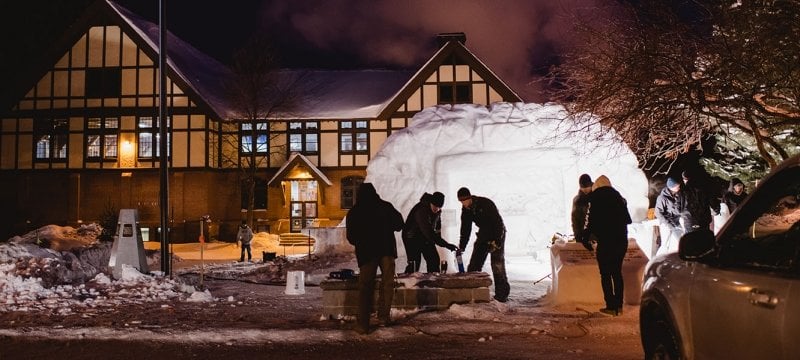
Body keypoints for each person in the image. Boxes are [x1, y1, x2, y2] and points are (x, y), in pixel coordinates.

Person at [345, 182, 404, 335]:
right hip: (386, 251)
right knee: (387, 284)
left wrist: (363, 239)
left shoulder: (355, 212)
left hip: (367, 253)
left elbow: (351, 237)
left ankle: (363, 324)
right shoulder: (385, 207)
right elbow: (399, 224)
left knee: (365, 287)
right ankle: (383, 317)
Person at [582, 175, 632, 316]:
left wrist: (585, 238)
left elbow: (589, 220)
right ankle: (619, 306)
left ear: (596, 186)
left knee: (605, 273)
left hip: (606, 242)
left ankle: (610, 305)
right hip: (621, 241)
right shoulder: (620, 198)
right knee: (617, 273)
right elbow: (628, 219)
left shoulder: (595, 198)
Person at [457, 187, 510, 303]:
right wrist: (462, 246)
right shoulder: (466, 211)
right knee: (474, 264)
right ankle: (474, 292)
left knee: (497, 263)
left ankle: (502, 294)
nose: (464, 204)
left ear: (470, 197)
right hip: (483, 234)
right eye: (461, 201)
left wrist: (497, 241)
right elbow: (465, 229)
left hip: (497, 232)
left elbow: (498, 222)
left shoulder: (485, 203)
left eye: (465, 200)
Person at [403, 192, 459, 273]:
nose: (437, 209)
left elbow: (437, 230)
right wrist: (446, 244)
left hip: (425, 236)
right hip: (411, 236)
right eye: (435, 207)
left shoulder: (438, 211)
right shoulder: (421, 210)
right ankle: (408, 283)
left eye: (439, 207)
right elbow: (429, 232)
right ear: (431, 203)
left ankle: (434, 281)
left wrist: (441, 241)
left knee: (434, 259)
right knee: (414, 263)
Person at [681, 169, 720, 233]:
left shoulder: (682, 191)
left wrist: (682, 215)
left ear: (685, 180)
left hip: (689, 221)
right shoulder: (705, 188)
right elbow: (713, 202)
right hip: (703, 220)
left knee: (690, 239)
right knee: (704, 239)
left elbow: (678, 207)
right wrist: (716, 211)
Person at [654, 177, 684, 256]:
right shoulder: (662, 198)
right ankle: (658, 260)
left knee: (680, 241)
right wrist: (668, 224)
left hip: (676, 222)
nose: (679, 187)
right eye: (677, 186)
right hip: (666, 224)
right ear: (672, 187)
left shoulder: (678, 195)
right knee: (665, 244)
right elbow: (658, 213)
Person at [571, 174, 593, 243]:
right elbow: (575, 221)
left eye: (587, 187)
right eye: (583, 187)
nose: (585, 189)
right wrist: (578, 238)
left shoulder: (599, 197)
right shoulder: (577, 200)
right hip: (584, 238)